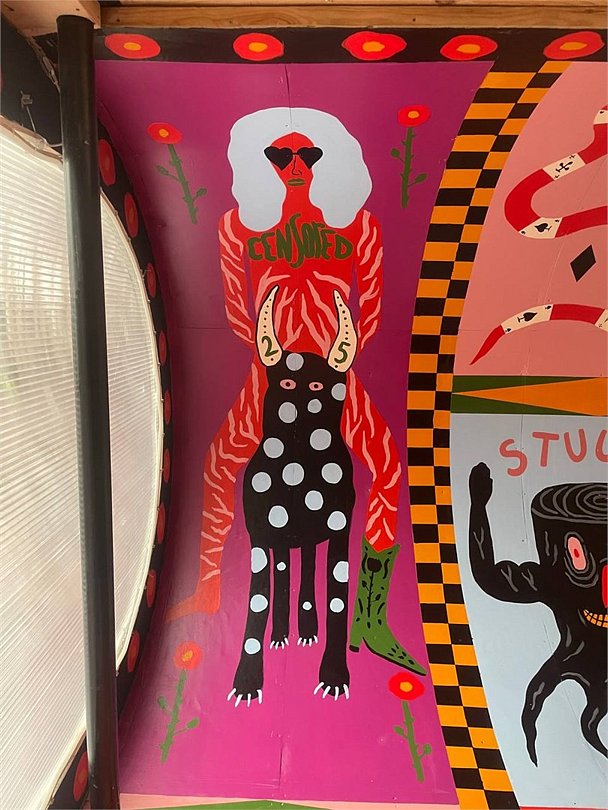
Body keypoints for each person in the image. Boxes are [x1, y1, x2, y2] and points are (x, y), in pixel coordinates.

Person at [169, 107, 420, 671]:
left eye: (308, 154)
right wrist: (273, 352)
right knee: (218, 465)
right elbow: (237, 312)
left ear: (328, 159)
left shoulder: (359, 228)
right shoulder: (236, 230)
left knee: (386, 467)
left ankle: (370, 614)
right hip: (270, 376)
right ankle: (208, 585)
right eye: (281, 156)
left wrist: (337, 355)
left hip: (335, 374)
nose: (295, 165)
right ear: (262, 165)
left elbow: (372, 307)